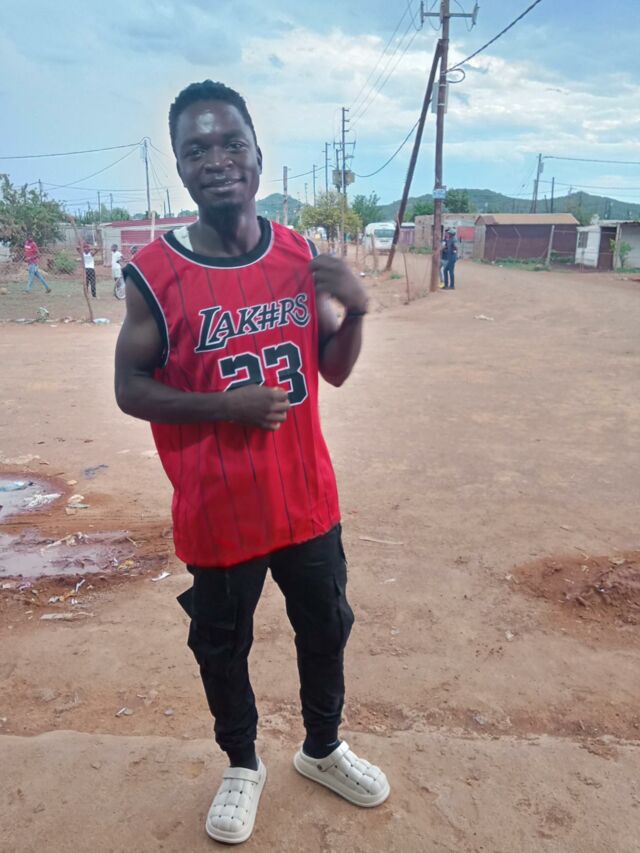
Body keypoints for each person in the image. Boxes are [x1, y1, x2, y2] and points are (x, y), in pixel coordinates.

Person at [114, 80, 389, 845]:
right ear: (180, 166)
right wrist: (224, 407)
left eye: (231, 142)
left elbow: (332, 368)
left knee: (326, 627)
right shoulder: (155, 273)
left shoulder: (297, 254)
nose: (217, 159)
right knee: (221, 645)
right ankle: (242, 762)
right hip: (219, 509)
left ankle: (322, 746)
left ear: (258, 156)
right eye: (197, 148)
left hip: (305, 500)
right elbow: (129, 387)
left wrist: (358, 310)